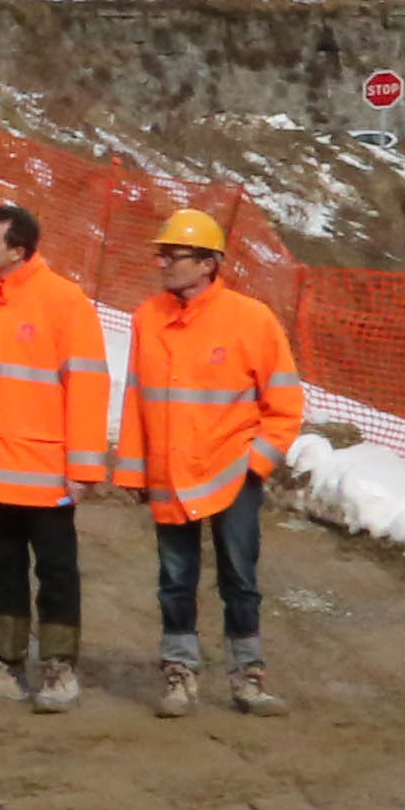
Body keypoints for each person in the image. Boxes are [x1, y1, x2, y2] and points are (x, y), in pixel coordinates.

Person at [123, 209, 307, 717]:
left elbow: (285, 403)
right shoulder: (148, 318)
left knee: (239, 577)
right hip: (169, 471)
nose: (163, 264)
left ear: (208, 264)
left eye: (173, 256)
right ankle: (179, 672)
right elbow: (136, 397)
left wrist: (257, 464)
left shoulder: (251, 320)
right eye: (162, 254)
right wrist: (135, 469)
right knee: (175, 578)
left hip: (231, 473)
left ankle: (249, 675)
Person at [0, 200, 114, 712]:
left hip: (44, 473)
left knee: (56, 571)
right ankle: (3, 667)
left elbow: (87, 387)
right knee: (2, 568)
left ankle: (59, 671)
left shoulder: (63, 302)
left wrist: (83, 468)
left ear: (17, 250)